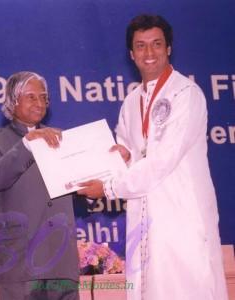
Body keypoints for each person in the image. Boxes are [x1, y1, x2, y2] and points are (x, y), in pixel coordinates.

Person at [77, 14, 228, 300]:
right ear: (131, 54)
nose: (149, 53)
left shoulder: (186, 94)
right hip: (144, 220)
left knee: (187, 288)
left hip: (181, 217)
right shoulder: (131, 102)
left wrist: (108, 188)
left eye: (157, 44)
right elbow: (129, 151)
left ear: (168, 48)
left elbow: (162, 160)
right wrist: (122, 156)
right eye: (141, 46)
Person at [0, 71, 79, 300]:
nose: (39, 103)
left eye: (43, 97)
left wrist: (107, 169)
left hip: (61, 263)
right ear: (12, 102)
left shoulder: (62, 139)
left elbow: (80, 189)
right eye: (31, 97)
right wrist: (27, 144)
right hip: (20, 265)